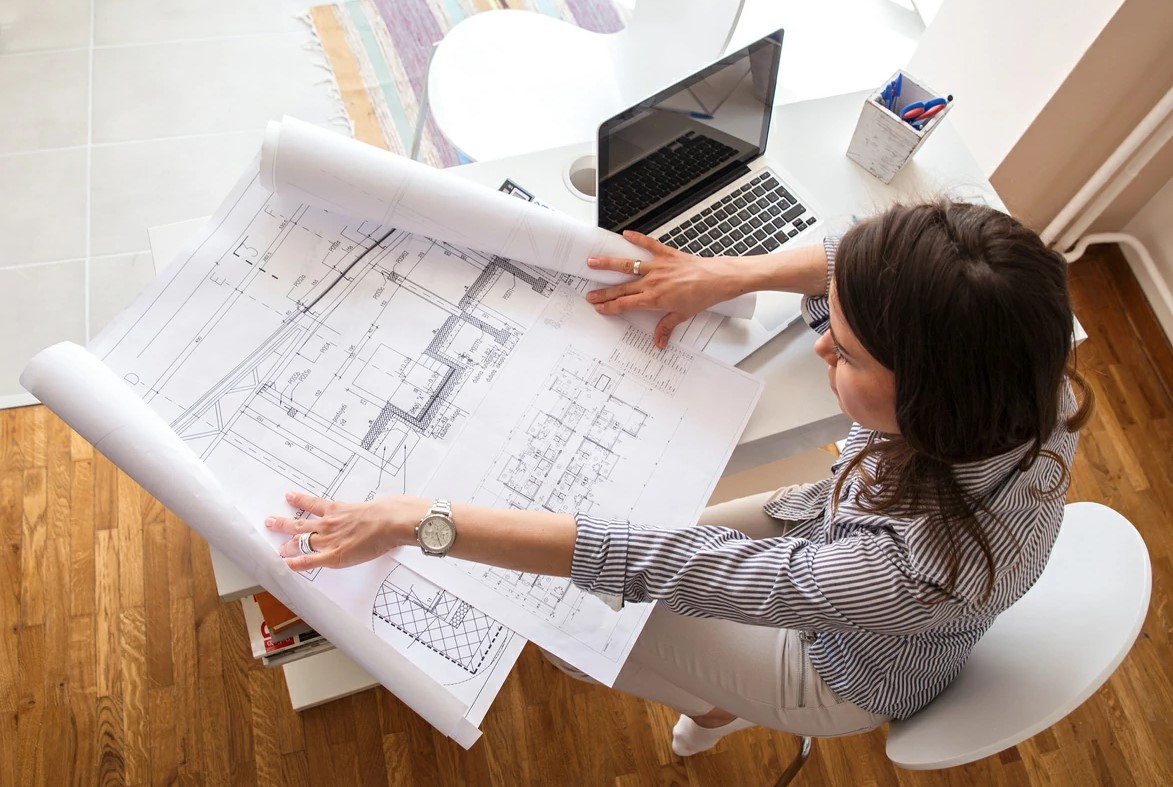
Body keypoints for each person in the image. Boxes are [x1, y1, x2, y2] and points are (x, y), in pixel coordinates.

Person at [264, 200, 1093, 756]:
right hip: (825, 524)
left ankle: (722, 697)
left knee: (573, 622)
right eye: (831, 320)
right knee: (610, 564)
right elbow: (852, 261)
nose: (819, 346)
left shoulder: (917, 571)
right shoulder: (1021, 364)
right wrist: (729, 275)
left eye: (845, 350)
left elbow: (669, 565)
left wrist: (424, 521)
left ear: (930, 399)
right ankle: (715, 684)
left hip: (843, 666)